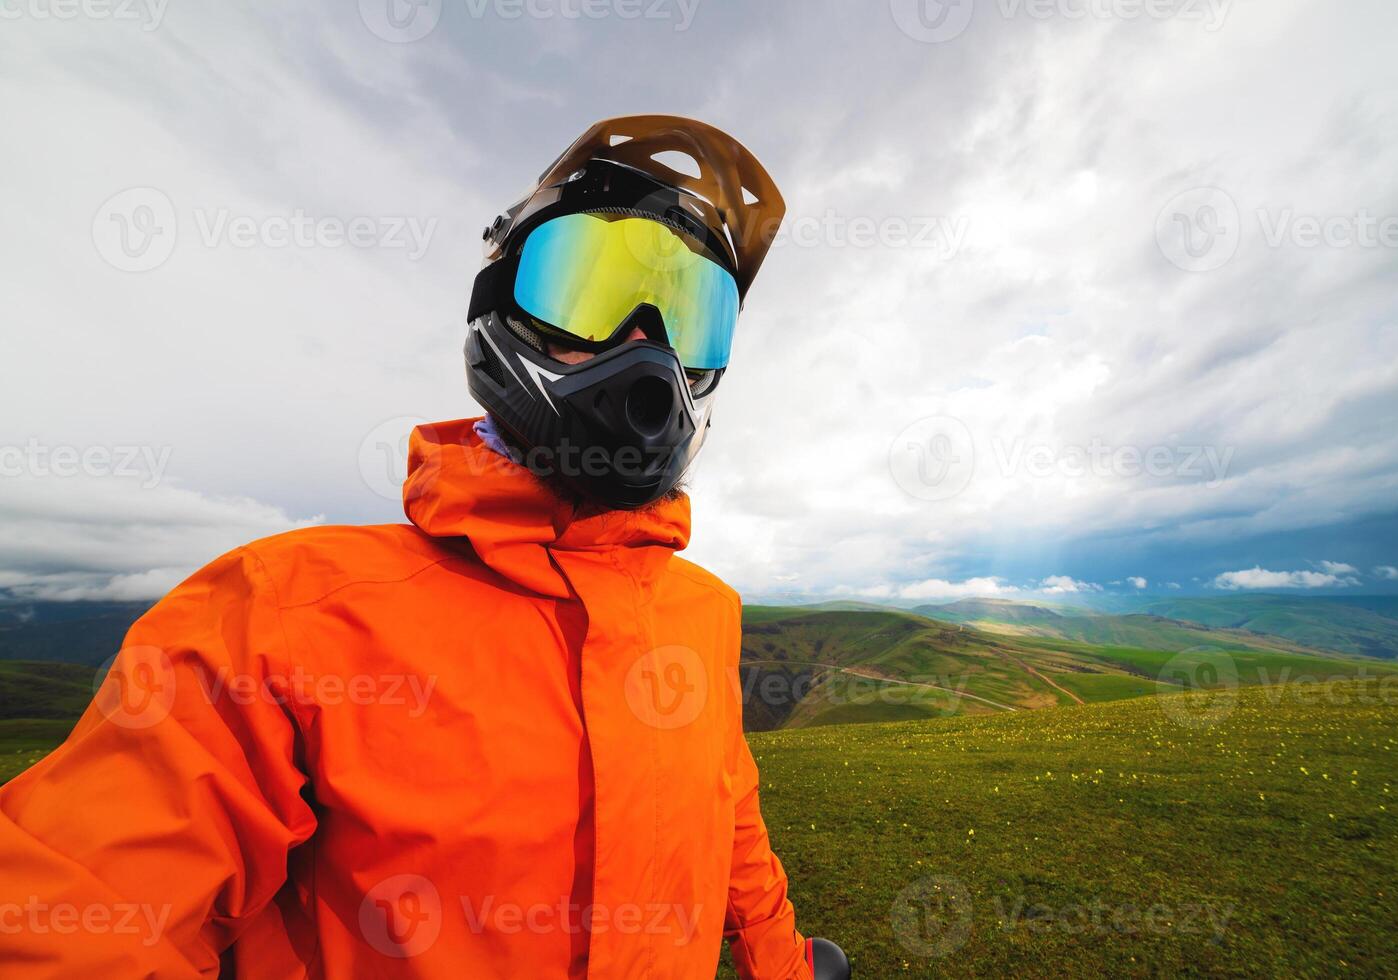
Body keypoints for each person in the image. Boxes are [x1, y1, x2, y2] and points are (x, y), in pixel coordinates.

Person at [0, 115, 848, 979]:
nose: (645, 344)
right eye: (592, 288)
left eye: (689, 314)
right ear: (500, 305)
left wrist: (781, 962)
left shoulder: (703, 609)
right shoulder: (284, 612)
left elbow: (726, 808)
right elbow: (79, 913)